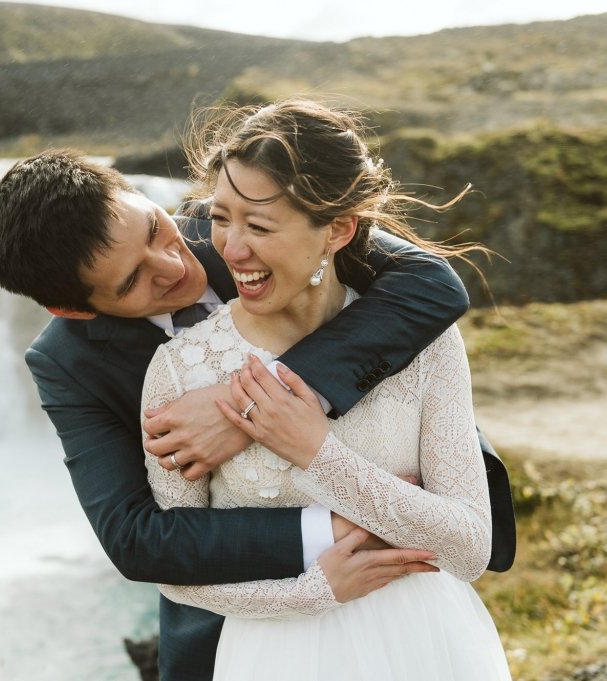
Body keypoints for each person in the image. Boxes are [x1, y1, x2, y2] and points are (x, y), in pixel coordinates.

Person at [0, 148, 513, 681]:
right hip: (245, 632)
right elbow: (136, 538)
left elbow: (432, 283)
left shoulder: (245, 221)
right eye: (131, 281)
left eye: (153, 231)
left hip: (423, 597)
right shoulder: (67, 363)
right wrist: (332, 532)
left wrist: (251, 404)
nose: (172, 264)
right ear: (71, 309)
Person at [141, 98, 511, 679]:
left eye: (259, 226)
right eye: (219, 218)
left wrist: (319, 453)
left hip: (429, 645)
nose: (231, 250)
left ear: (337, 230)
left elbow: (470, 547)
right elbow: (180, 571)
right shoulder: (180, 371)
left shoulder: (426, 343)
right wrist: (315, 592)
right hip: (274, 657)